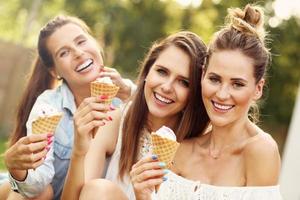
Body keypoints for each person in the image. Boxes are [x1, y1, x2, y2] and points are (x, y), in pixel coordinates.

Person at [131, 4, 282, 200]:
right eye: (215, 79)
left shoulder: (260, 152)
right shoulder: (182, 151)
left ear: (258, 89)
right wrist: (142, 196)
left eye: (237, 84)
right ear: (202, 75)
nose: (222, 94)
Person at [61, 31, 210, 200]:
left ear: (195, 94)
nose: (167, 87)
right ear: (147, 73)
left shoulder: (198, 146)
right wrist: (79, 151)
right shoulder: (117, 120)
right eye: (162, 72)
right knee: (98, 190)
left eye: (184, 82)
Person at [2, 15, 135, 200]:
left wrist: (129, 91)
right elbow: (35, 185)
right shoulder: (48, 108)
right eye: (63, 53)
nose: (78, 53)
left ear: (95, 43)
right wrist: (18, 171)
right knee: (35, 193)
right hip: (50, 196)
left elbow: (157, 106)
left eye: (81, 41)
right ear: (54, 71)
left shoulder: (124, 99)